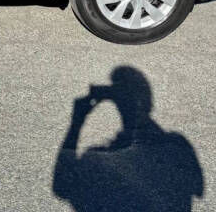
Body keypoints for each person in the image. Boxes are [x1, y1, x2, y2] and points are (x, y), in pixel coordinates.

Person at [53, 66, 203, 212]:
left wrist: (77, 123)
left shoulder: (99, 160)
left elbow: (62, 187)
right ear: (148, 100)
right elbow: (198, 188)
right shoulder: (175, 146)